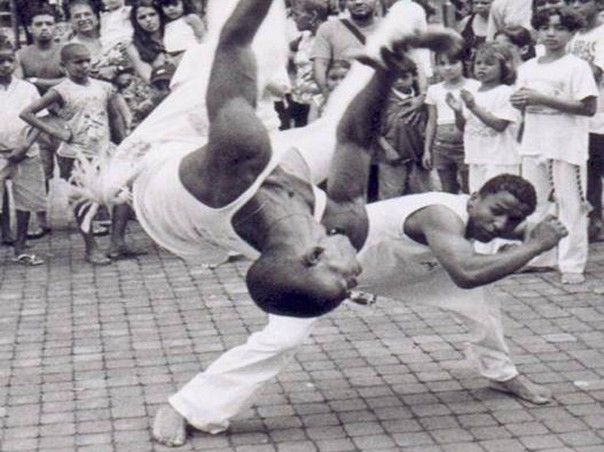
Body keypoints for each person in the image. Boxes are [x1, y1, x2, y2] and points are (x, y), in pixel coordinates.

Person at [19, 43, 137, 265]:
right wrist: (55, 131)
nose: (84, 66)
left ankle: (117, 242)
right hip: (75, 154)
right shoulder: (61, 90)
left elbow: (113, 117)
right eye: (77, 62)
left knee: (122, 192)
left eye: (86, 61)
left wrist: (122, 143)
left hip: (103, 149)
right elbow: (27, 113)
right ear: (63, 66)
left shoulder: (103, 87)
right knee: (82, 199)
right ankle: (91, 247)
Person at [511, 7, 598, 284]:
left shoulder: (577, 66)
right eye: (545, 27)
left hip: (566, 146)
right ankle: (539, 257)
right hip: (534, 143)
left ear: (572, 32)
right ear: (536, 30)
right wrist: (520, 103)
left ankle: (571, 263)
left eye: (559, 28)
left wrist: (542, 99)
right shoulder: (527, 67)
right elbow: (521, 104)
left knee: (570, 205)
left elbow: (587, 107)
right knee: (533, 204)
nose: (551, 34)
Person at [15, 5, 65, 237]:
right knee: (40, 171)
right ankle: (41, 219)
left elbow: (70, 80)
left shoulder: (65, 50)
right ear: (30, 28)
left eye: (48, 23)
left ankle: (90, 215)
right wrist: (52, 83)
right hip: (36, 122)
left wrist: (38, 80)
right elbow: (21, 84)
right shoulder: (21, 55)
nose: (44, 28)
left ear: (56, 27)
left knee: (75, 168)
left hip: (65, 118)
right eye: (39, 24)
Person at [0, 37, 47, 266]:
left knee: (25, 203)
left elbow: (40, 121)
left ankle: (20, 247)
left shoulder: (28, 89)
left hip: (26, 151)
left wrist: (25, 145)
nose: (5, 66)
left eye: (10, 60)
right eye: (0, 61)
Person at [568, 0, 604, 243]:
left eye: (582, 1)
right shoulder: (570, 36)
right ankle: (594, 221)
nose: (576, 6)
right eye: (571, 2)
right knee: (587, 171)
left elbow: (594, 72)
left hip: (601, 113)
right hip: (580, 117)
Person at [423, 47, 479, 194]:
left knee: (470, 189)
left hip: (467, 144)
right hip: (441, 146)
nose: (448, 68)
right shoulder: (434, 90)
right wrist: (427, 150)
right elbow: (431, 121)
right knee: (447, 190)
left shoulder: (475, 86)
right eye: (442, 63)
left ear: (464, 63)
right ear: (436, 67)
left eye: (453, 62)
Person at [375, 56, 431, 199]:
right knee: (391, 196)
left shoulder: (423, 99)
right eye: (395, 77)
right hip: (392, 156)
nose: (399, 81)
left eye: (404, 77)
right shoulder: (382, 100)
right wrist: (388, 149)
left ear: (413, 77)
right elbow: (373, 129)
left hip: (418, 156)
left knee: (421, 196)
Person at [311, 0, 380, 96]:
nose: (358, 2)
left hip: (386, 99)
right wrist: (327, 95)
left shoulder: (391, 28)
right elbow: (320, 64)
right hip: (344, 97)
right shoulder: (328, 29)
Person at [287, 0, 330, 128]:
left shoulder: (328, 37)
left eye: (296, 15)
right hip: (299, 101)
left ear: (313, 15)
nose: (293, 19)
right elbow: (284, 51)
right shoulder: (304, 37)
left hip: (318, 104)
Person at [126, 1, 168, 84]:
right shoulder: (133, 47)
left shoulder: (174, 30)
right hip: (160, 85)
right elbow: (149, 78)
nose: (148, 20)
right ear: (136, 22)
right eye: (142, 17)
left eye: (152, 14)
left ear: (160, 15)